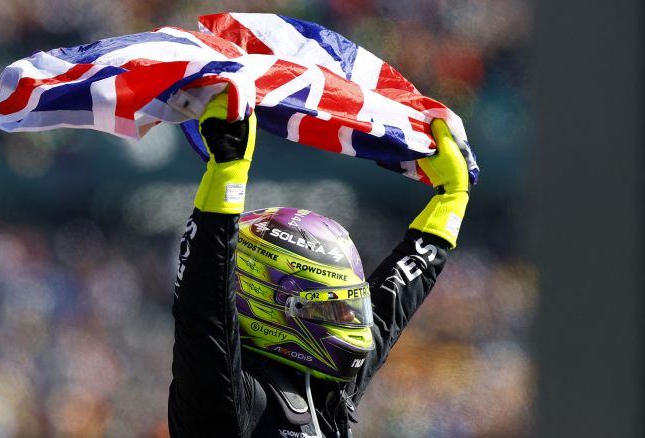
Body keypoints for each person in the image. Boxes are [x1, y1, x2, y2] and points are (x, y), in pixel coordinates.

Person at [168, 91, 470, 437]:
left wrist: (450, 201)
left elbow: (390, 306)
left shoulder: (324, 389)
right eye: (334, 309)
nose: (351, 321)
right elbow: (202, 311)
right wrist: (227, 171)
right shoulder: (226, 402)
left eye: (350, 306)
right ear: (278, 302)